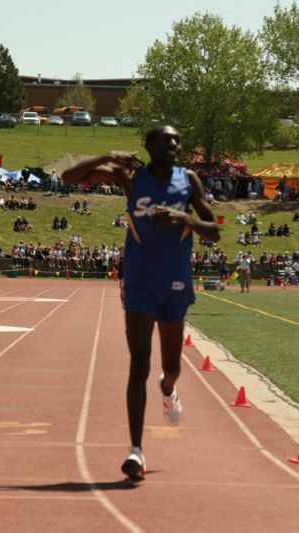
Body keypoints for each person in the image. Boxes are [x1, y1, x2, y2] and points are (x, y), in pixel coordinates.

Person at [63, 125, 221, 481]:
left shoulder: (189, 180)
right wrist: (106, 156)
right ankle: (136, 450)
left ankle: (169, 390)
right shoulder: (131, 176)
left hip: (176, 282)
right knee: (139, 363)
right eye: (166, 140)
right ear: (149, 146)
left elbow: (214, 230)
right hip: (139, 282)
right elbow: (68, 176)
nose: (174, 144)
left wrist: (186, 218)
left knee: (172, 367)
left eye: (177, 139)